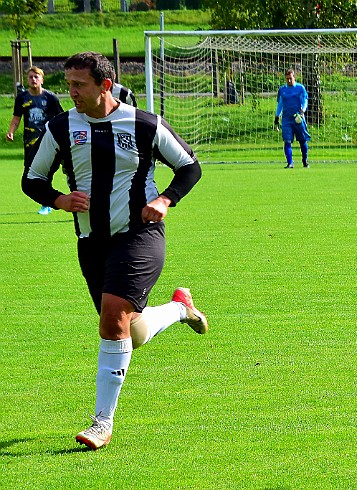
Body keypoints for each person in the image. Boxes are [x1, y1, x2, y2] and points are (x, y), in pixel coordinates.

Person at [21, 52, 209, 450]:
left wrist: (166, 200)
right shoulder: (60, 127)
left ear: (105, 85)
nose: (70, 92)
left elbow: (189, 166)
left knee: (112, 319)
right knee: (130, 331)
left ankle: (101, 423)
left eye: (78, 85)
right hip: (92, 243)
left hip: (140, 234)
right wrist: (58, 199)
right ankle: (179, 308)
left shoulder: (144, 124)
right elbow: (33, 178)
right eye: (68, 84)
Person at [6, 66, 64, 215]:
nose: (33, 79)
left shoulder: (50, 98)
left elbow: (61, 119)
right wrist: (11, 132)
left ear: (42, 79)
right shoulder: (22, 98)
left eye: (36, 77)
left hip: (48, 142)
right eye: (30, 77)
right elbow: (16, 118)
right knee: (31, 173)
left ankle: (50, 202)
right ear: (27, 80)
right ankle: (46, 202)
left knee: (47, 171)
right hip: (30, 143)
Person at [274, 68, 310, 168]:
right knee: (287, 140)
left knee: (302, 140)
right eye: (287, 79)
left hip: (298, 118)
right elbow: (280, 104)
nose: (289, 81)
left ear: (294, 77)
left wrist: (302, 110)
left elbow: (304, 101)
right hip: (286, 119)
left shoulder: (300, 88)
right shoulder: (282, 90)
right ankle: (290, 163)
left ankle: (305, 161)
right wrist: (277, 116)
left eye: (290, 78)